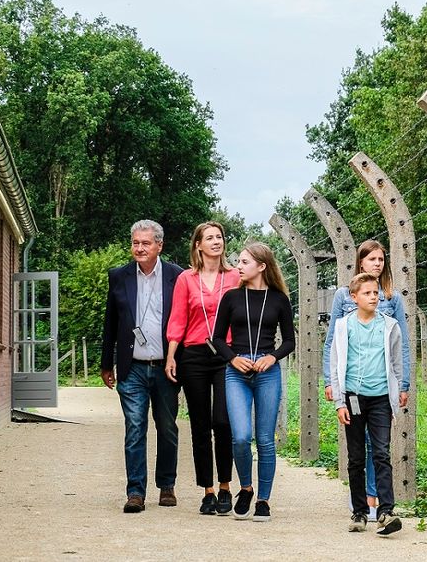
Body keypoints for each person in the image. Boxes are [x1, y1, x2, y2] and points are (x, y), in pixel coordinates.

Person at [322, 240, 412, 518]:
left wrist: (404, 382)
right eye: (372, 259)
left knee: (380, 447)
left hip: (381, 385)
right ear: (361, 262)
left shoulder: (391, 298)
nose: (377, 263)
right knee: (358, 449)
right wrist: (329, 381)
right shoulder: (344, 297)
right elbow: (332, 345)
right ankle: (361, 501)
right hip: (353, 388)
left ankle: (376, 500)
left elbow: (402, 344)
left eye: (381, 259)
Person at [101, 219, 184, 513]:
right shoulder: (119, 276)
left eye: (145, 243)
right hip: (132, 366)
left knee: (167, 427)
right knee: (134, 427)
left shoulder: (178, 276)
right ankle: (135, 491)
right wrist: (105, 363)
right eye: (135, 243)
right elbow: (110, 322)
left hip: (165, 367)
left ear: (159, 245)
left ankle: (167, 485)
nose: (139, 248)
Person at [210, 242, 295, 522]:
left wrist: (272, 357)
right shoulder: (232, 297)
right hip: (237, 371)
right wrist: (233, 359)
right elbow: (218, 338)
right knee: (241, 436)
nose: (238, 266)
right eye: (239, 261)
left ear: (262, 266)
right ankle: (245, 487)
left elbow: (290, 341)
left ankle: (263, 500)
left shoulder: (279, 300)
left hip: (267, 371)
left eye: (244, 262)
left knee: (265, 439)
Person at [164, 221, 241, 515]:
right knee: (199, 424)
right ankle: (207, 490)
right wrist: (172, 355)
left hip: (225, 354)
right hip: (193, 354)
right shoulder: (186, 279)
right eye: (209, 238)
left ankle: (225, 486)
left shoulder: (234, 276)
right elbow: (178, 319)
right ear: (198, 245)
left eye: (219, 237)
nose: (216, 241)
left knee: (222, 420)